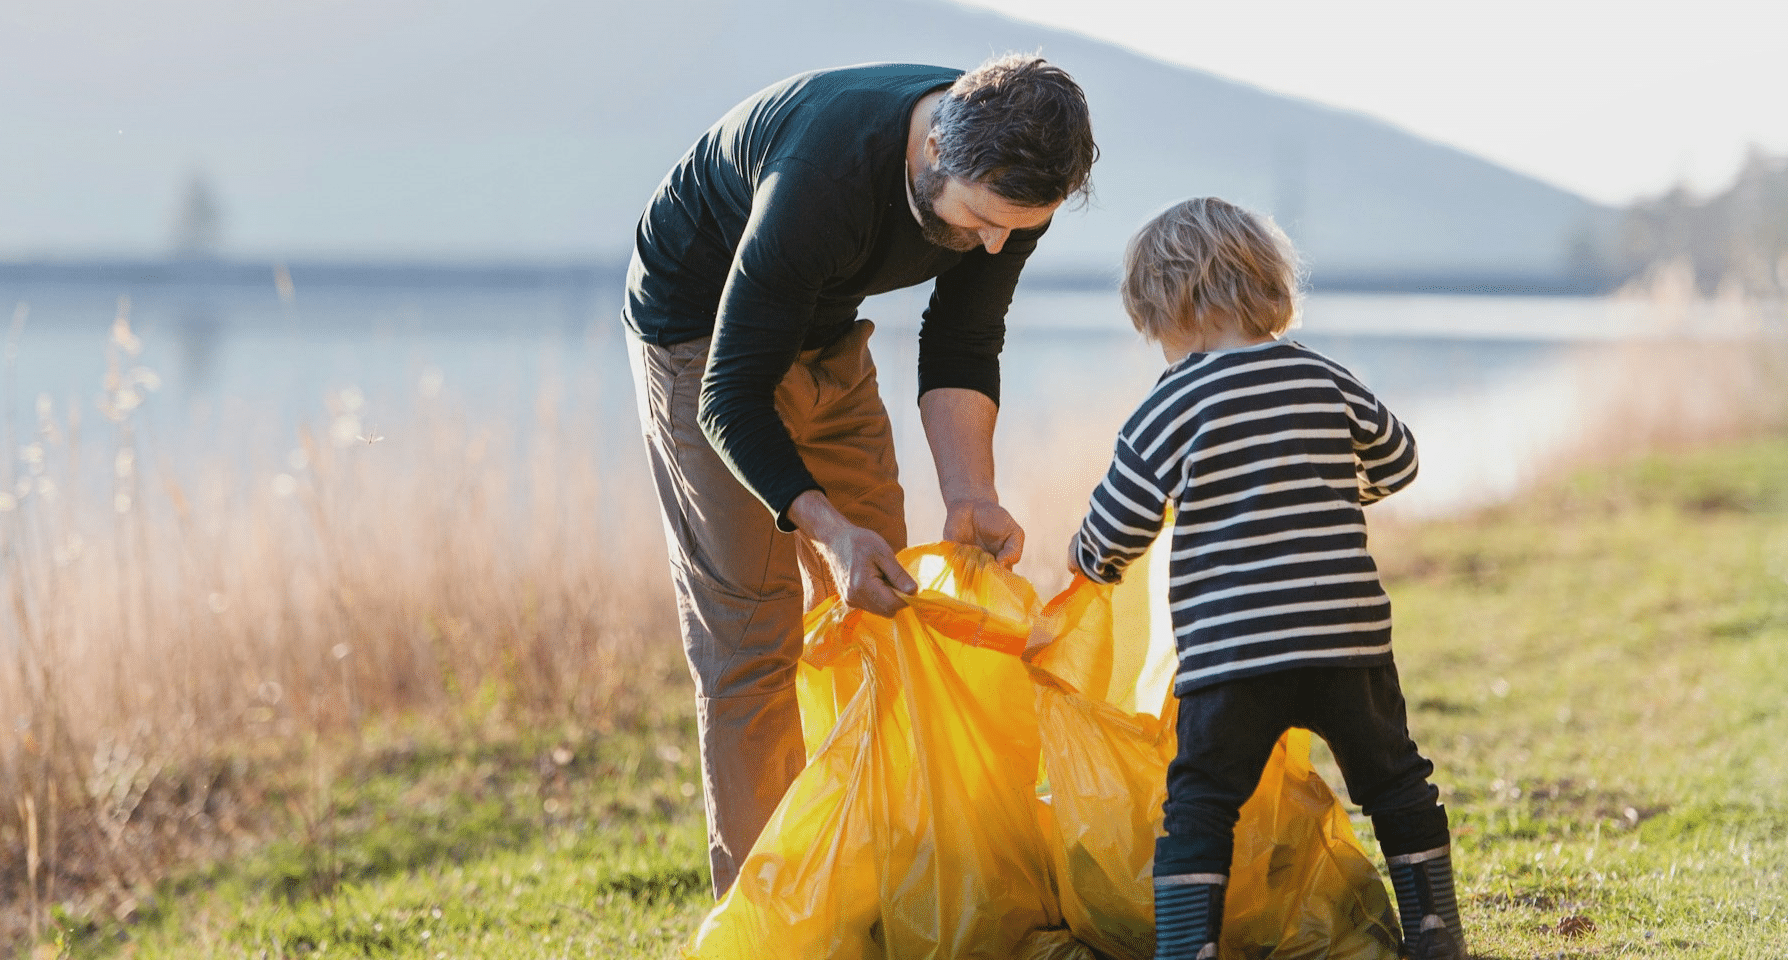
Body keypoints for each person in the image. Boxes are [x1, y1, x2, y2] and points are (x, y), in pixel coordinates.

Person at [622, 55, 1097, 896]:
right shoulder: (824, 175)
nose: (997, 244)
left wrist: (969, 496)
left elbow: (963, 339)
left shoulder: (1018, 177)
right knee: (750, 641)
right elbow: (730, 399)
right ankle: (770, 921)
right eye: (987, 219)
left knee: (885, 605)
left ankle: (876, 882)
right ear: (934, 152)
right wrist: (830, 533)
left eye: (1020, 227)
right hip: (699, 339)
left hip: (823, 324)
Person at [1065, 198, 1467, 960]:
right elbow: (1400, 459)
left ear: (1169, 305)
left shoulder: (1172, 403)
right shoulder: (1322, 375)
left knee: (1202, 806)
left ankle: (1189, 949)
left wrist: (1091, 561)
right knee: (1397, 785)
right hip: (1348, 644)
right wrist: (1330, 491)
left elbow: (1119, 521)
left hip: (1232, 656)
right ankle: (1435, 930)